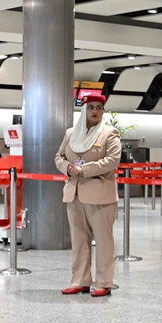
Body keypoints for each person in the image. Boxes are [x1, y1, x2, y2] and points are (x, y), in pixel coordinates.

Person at [55, 91, 121, 297]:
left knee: (103, 240)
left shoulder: (109, 133)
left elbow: (112, 161)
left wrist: (84, 169)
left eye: (99, 108)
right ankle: (80, 281)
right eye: (91, 107)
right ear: (83, 110)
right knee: (79, 240)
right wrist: (67, 167)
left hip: (100, 194)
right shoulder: (70, 134)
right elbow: (59, 157)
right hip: (73, 193)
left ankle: (104, 282)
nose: (95, 111)